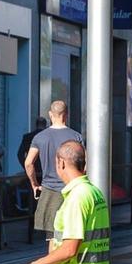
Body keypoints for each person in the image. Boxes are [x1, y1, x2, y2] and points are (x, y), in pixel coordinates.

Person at [25, 101, 84, 247]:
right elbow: (86, 164)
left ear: (50, 115)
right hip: (72, 190)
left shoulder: (40, 137)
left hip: (50, 192)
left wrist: (34, 184)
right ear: (66, 115)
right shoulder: (76, 136)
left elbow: (28, 163)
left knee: (53, 236)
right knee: (71, 232)